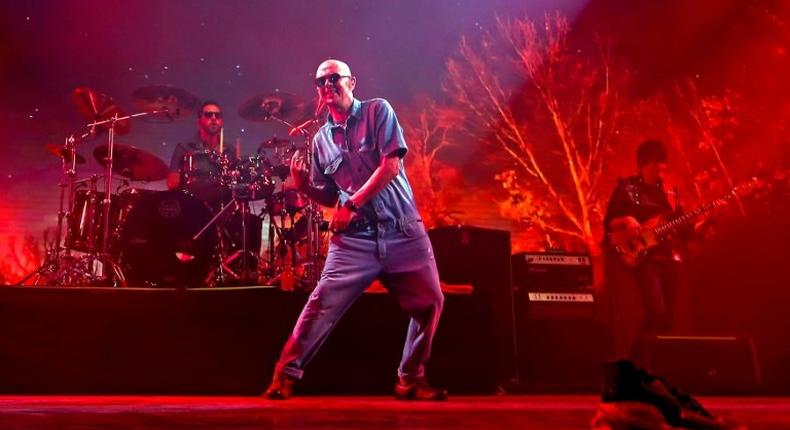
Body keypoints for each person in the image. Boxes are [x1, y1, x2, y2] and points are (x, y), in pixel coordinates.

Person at [263, 59, 446, 401]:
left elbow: (391, 166)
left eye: (334, 78)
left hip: (402, 230)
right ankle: (284, 375)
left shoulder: (378, 112)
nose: (327, 85)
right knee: (320, 305)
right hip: (355, 240)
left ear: (352, 82)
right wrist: (304, 187)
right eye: (321, 81)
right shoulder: (320, 141)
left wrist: (351, 205)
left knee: (430, 303)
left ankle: (410, 378)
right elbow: (330, 195)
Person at [603, 140, 697, 360]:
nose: (660, 169)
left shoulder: (669, 194)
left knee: (668, 319)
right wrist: (626, 219)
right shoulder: (628, 189)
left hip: (669, 258)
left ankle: (655, 364)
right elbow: (609, 223)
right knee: (656, 311)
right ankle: (635, 362)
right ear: (642, 164)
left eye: (662, 164)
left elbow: (684, 230)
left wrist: (703, 224)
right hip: (645, 258)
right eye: (655, 164)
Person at [167, 100, 234, 197]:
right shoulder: (184, 147)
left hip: (222, 205)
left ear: (222, 122)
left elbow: (235, 183)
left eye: (217, 115)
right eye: (208, 115)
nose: (214, 118)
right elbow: (172, 183)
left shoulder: (230, 149)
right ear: (199, 120)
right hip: (192, 204)